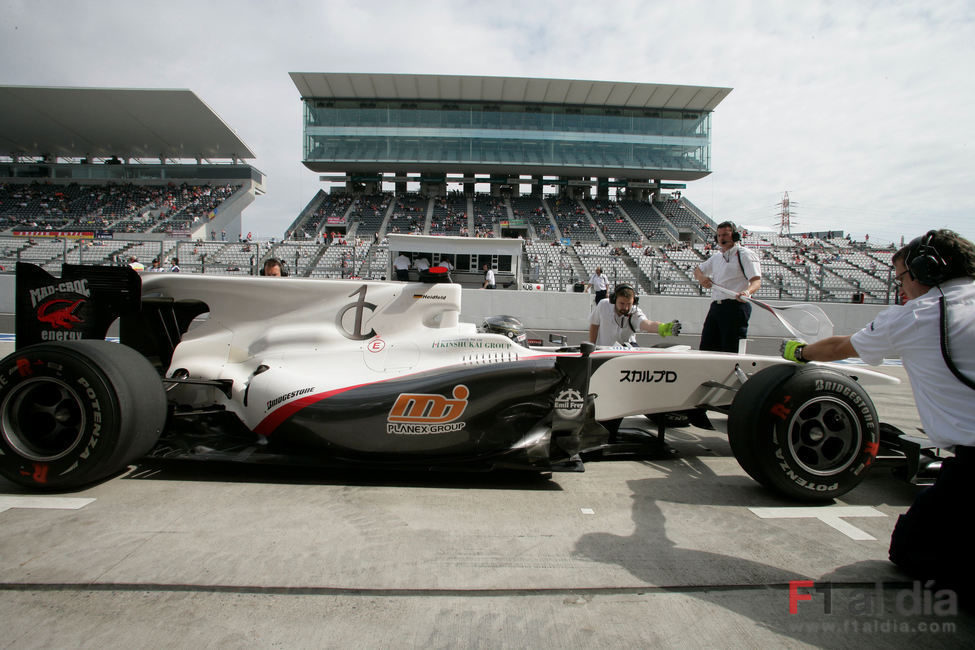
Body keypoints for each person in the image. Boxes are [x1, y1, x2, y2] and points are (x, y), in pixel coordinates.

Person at [780, 229, 975, 597]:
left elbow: (839, 346)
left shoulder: (918, 315)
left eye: (902, 277)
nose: (901, 288)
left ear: (926, 269)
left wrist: (800, 352)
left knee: (911, 550)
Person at [693, 221, 762, 353]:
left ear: (735, 236)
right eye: (719, 236)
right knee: (706, 349)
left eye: (725, 235)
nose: (721, 238)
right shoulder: (716, 258)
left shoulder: (746, 255)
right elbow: (698, 270)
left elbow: (756, 281)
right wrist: (702, 278)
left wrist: (747, 292)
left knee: (731, 350)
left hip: (735, 307)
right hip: (716, 307)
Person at [588, 284, 680, 346]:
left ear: (634, 301)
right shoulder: (603, 305)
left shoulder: (635, 312)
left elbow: (647, 324)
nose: (626, 308)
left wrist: (663, 328)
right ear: (614, 299)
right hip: (604, 351)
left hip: (627, 351)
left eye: (629, 304)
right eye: (622, 303)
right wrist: (592, 345)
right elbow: (594, 325)